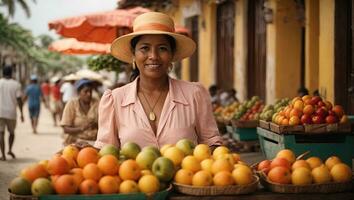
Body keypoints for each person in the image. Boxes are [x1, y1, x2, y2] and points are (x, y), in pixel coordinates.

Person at [94, 12, 223, 149]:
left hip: (188, 171)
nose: (153, 56)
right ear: (133, 53)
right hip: (130, 171)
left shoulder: (194, 95)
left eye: (162, 48)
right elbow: (106, 156)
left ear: (172, 54)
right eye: (145, 48)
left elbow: (212, 145)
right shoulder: (115, 100)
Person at [60, 79, 98, 146]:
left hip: (93, 141)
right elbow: (66, 129)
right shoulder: (72, 104)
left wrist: (96, 124)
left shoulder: (97, 103)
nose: (89, 94)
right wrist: (82, 128)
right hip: (74, 141)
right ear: (79, 93)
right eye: (85, 91)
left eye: (90, 91)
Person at [0, 66, 24, 160]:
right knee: (12, 133)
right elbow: (19, 100)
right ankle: (9, 149)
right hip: (11, 112)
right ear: (11, 73)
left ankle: (3, 155)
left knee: (1, 133)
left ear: (3, 73)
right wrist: (22, 113)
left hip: (0, 112)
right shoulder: (16, 84)